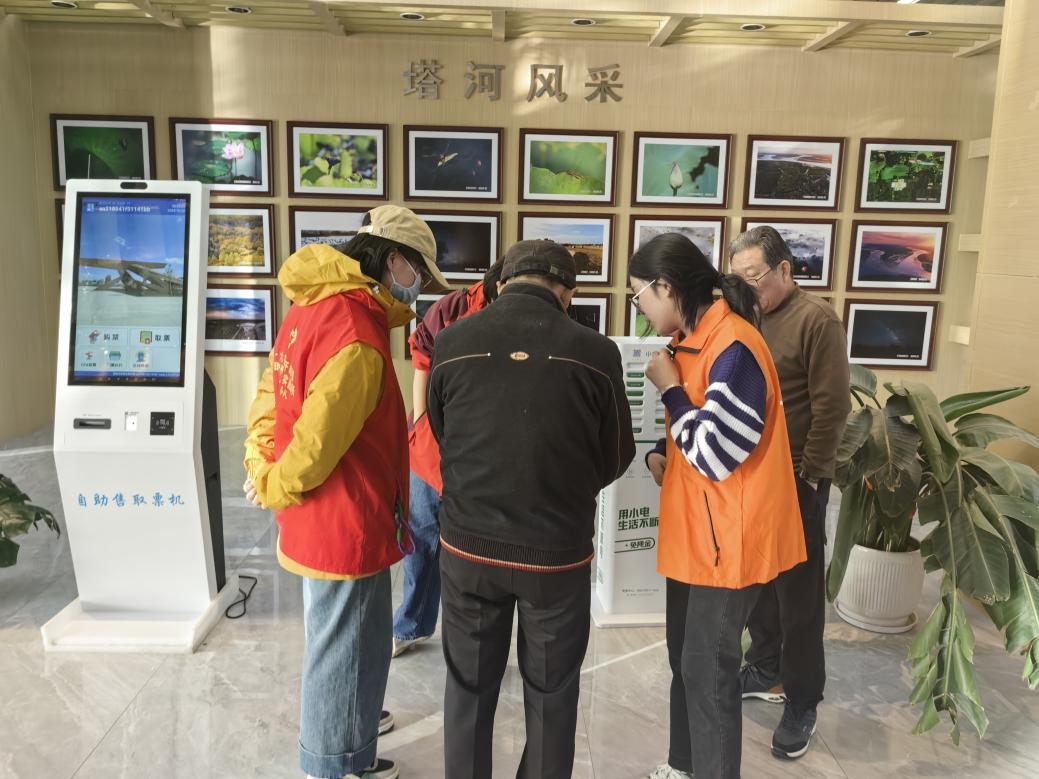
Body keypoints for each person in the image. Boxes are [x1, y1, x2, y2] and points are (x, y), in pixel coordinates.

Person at [241, 205, 449, 779]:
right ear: (393, 261)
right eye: (418, 274)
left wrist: (263, 467)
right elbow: (315, 443)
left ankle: (350, 733)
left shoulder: (312, 306)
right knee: (344, 645)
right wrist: (274, 482)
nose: (418, 288)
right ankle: (334, 763)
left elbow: (271, 394)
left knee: (346, 637)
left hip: (320, 515)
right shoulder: (357, 333)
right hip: (345, 521)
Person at [427, 240, 636, 779]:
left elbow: (442, 432)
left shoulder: (452, 340)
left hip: (468, 547)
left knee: (468, 687)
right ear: (567, 293)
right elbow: (617, 453)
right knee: (551, 692)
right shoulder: (596, 351)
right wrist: (563, 487)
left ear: (501, 284)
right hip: (555, 553)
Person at [631, 233, 806, 779]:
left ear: (666, 286)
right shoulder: (693, 339)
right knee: (686, 660)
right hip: (698, 534)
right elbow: (703, 428)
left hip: (729, 540)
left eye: (639, 295)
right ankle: (683, 766)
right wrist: (663, 450)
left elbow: (715, 453)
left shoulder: (735, 346)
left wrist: (670, 391)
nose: (638, 307)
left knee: (708, 670)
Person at [729, 226, 851, 760]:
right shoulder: (748, 316)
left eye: (754, 276)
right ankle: (766, 667)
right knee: (757, 581)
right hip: (751, 478)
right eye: (738, 278)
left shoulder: (816, 320)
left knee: (798, 594)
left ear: (784, 269)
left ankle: (802, 699)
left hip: (798, 479)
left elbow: (832, 406)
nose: (747, 287)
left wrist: (811, 477)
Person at [392, 259, 504, 658]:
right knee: (422, 541)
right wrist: (422, 421)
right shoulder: (453, 308)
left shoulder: (536, 317)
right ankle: (411, 626)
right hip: (431, 447)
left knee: (479, 553)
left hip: (486, 453)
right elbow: (421, 356)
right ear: (497, 286)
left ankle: (477, 640)